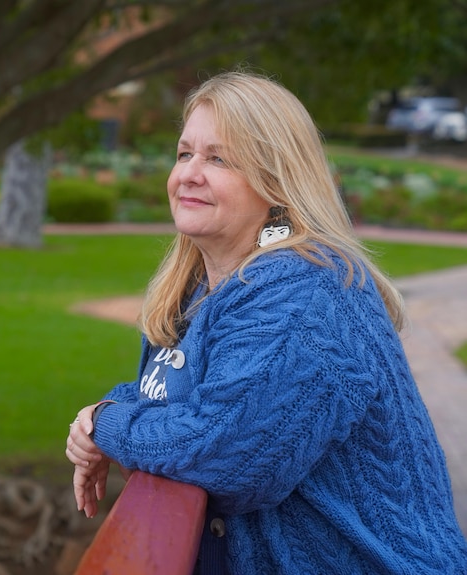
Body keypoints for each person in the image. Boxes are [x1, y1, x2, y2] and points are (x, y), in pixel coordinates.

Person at [65, 71, 467, 574]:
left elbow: (221, 455)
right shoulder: (202, 289)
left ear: (276, 181)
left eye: (218, 158)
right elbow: (185, 398)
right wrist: (105, 409)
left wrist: (107, 424)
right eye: (184, 153)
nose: (189, 173)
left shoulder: (301, 294)